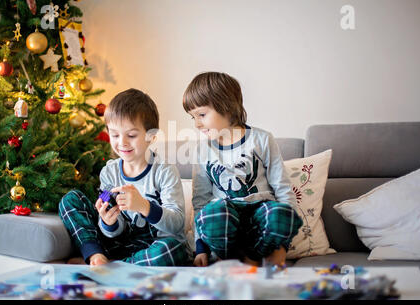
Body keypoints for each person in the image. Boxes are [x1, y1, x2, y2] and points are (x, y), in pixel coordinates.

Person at [183, 72, 303, 267]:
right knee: (213, 212)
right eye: (193, 117)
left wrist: (282, 243)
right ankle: (231, 260)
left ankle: (257, 259)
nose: (197, 124)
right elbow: (200, 201)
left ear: (226, 107)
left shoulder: (262, 139)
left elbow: (282, 188)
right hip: (227, 224)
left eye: (202, 115)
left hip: (260, 219)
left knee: (283, 212)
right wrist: (201, 248)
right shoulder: (203, 150)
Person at [59, 88, 188, 266]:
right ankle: (96, 255)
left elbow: (176, 224)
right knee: (71, 199)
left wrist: (144, 206)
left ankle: (116, 266)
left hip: (154, 246)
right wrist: (107, 221)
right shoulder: (109, 172)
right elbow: (109, 216)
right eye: (115, 135)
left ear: (151, 137)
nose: (122, 142)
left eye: (132, 135)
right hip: (119, 245)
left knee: (171, 249)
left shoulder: (165, 171)